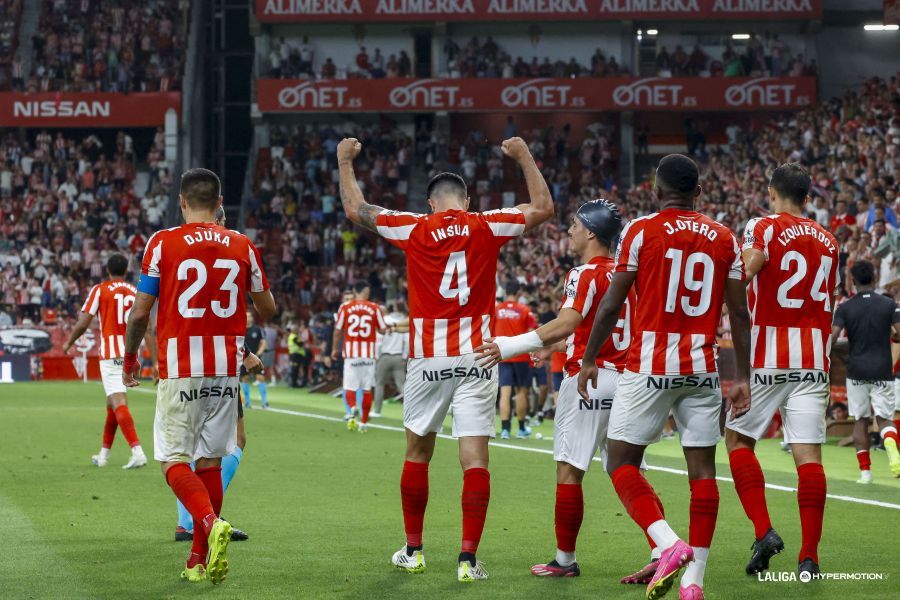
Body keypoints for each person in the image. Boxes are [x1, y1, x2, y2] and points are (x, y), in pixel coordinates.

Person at [337, 135, 553, 582]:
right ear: (467, 200)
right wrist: (523, 157)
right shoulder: (487, 224)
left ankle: (414, 550)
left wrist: (344, 162)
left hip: (428, 358)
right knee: (475, 458)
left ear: (430, 203)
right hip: (477, 356)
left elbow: (356, 209)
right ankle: (468, 560)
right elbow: (543, 208)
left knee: (418, 452)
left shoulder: (414, 226)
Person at [577, 154, 752, 599]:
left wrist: (590, 357)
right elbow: (739, 312)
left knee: (619, 461)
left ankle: (671, 544)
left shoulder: (639, 231)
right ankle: (694, 586)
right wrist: (744, 377)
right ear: (698, 192)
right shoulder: (724, 237)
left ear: (656, 192)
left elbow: (612, 304)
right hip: (701, 367)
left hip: (650, 365)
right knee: (702, 473)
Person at [477, 200, 650, 580]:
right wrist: (552, 346)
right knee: (627, 470)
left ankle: (565, 559)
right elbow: (596, 329)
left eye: (574, 225)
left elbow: (569, 321)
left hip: (588, 383)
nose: (568, 231)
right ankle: (662, 546)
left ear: (590, 232)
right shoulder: (630, 276)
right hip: (627, 383)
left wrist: (509, 346)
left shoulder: (584, 274)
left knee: (569, 472)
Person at [122, 168, 275, 584]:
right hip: (225, 373)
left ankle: (208, 522)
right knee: (209, 461)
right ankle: (196, 560)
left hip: (180, 369)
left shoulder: (162, 242)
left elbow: (140, 313)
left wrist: (130, 358)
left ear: (182, 201)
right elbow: (268, 310)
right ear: (220, 202)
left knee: (173, 461)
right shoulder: (243, 245)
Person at [725, 163, 839, 580]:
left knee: (737, 439)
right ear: (807, 197)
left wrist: (726, 291)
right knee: (809, 457)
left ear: (771, 191)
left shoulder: (763, 225)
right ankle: (809, 557)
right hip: (813, 360)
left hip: (767, 355)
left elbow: (750, 265)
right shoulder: (829, 240)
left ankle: (764, 531)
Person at [173, 204, 252, 544]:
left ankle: (195, 521)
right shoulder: (231, 248)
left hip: (185, 364)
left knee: (193, 449)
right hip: (218, 364)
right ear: (216, 219)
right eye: (223, 218)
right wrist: (246, 355)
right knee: (225, 444)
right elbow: (219, 317)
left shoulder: (174, 247)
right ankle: (201, 520)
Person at [63, 253, 153, 470]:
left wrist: (68, 343)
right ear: (126, 271)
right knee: (112, 405)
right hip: (130, 353)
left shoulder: (100, 289)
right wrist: (156, 360)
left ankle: (137, 451)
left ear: (107, 270)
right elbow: (147, 327)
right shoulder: (135, 292)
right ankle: (103, 456)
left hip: (111, 355)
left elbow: (84, 322)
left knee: (118, 403)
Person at [830, 260, 900, 481]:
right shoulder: (890, 305)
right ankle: (890, 444)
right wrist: (893, 335)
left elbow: (832, 338)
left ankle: (866, 473)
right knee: (885, 418)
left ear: (852, 280)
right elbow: (899, 333)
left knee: (861, 420)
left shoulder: (845, 307)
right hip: (882, 369)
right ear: (875, 278)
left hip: (856, 370)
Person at [331, 281, 387, 432]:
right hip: (368, 355)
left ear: (355, 291)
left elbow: (337, 330)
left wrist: (334, 349)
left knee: (350, 387)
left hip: (351, 354)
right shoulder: (375, 308)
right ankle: (363, 423)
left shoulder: (345, 307)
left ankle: (353, 408)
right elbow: (383, 330)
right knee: (367, 389)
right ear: (367, 292)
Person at [494, 280, 537, 439]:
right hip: (521, 356)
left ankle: (505, 430)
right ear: (518, 293)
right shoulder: (525, 310)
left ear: (505, 292)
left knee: (505, 391)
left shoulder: (497, 310)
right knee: (522, 392)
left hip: (503, 355)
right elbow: (533, 333)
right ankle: (521, 429)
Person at [374, 302, 409, 416]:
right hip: (399, 356)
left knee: (379, 384)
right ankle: (411, 412)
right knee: (402, 386)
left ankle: (377, 411)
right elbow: (407, 341)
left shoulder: (385, 320)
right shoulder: (405, 320)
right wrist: (404, 357)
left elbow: (378, 341)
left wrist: (377, 356)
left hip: (384, 355)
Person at [241, 311, 268, 409]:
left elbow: (263, 342)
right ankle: (247, 403)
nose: (248, 318)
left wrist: (259, 353)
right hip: (243, 358)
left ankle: (265, 402)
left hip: (256, 358)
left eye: (250, 316)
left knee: (260, 377)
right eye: (246, 316)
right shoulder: (240, 329)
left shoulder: (257, 329)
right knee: (245, 379)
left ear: (252, 318)